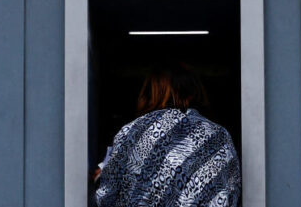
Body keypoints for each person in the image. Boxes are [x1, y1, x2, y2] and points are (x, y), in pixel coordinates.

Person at [94, 63, 241, 207]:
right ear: (192, 93)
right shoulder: (219, 136)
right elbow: (232, 191)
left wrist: (101, 176)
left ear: (150, 93)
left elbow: (106, 196)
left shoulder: (131, 133)